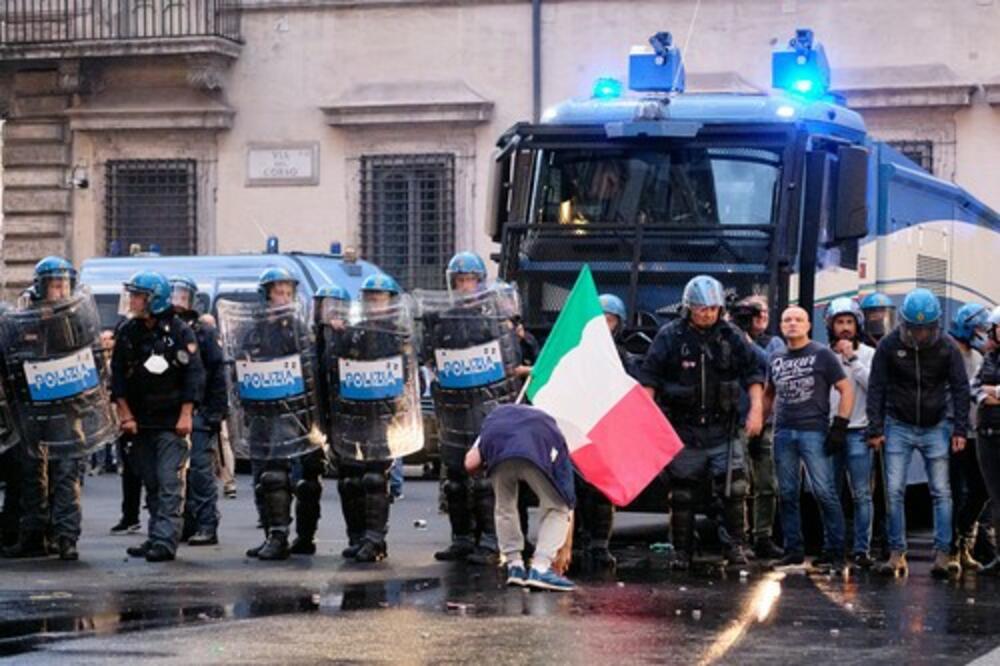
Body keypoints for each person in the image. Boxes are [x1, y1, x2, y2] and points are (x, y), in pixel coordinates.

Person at [638, 275, 764, 569]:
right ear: (688, 308)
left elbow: (753, 374)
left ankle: (735, 546)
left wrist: (756, 410)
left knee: (734, 490)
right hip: (684, 430)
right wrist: (646, 420)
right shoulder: (670, 336)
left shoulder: (731, 336)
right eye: (700, 309)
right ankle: (681, 551)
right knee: (682, 494)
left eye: (712, 308)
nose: (707, 314)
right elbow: (649, 378)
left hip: (725, 427)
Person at [4, 257, 118, 561]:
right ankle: (33, 536)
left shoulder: (78, 320)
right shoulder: (24, 319)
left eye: (64, 283)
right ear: (41, 286)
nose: (60, 290)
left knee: (67, 474)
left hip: (68, 410)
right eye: (55, 284)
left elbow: (94, 362)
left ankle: (66, 538)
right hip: (33, 411)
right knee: (33, 476)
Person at [421, 252, 521, 565]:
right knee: (455, 479)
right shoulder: (441, 319)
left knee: (484, 481)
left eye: (470, 280)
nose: (465, 287)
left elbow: (510, 363)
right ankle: (461, 539)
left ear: (480, 282)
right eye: (460, 281)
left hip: (485, 408)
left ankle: (490, 543)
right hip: (453, 408)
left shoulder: (494, 318)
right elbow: (428, 358)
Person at [868, 288, 969, 578]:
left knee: (941, 491)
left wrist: (959, 428)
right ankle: (897, 553)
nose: (921, 334)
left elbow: (960, 388)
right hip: (898, 423)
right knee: (894, 490)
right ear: (904, 323)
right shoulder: (889, 346)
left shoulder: (947, 347)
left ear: (936, 325)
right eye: (915, 328)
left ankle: (943, 554)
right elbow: (877, 387)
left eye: (927, 328)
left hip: (936, 424)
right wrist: (876, 428)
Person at [325, 273, 422, 563]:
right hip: (354, 415)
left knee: (373, 478)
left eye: (379, 299)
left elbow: (407, 377)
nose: (375, 305)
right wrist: (336, 335)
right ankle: (356, 537)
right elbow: (334, 367)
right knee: (350, 480)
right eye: (370, 299)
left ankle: (375, 540)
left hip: (382, 417)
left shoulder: (398, 335)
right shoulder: (354, 332)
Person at [230, 267, 323, 561]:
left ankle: (287, 537)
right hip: (261, 410)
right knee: (264, 477)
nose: (283, 298)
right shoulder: (253, 329)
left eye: (287, 292)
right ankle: (272, 532)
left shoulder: (297, 328)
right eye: (277, 292)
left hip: (290, 411)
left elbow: (309, 369)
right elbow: (239, 367)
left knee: (280, 474)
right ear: (266, 295)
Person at [112, 271, 204, 562]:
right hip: (140, 422)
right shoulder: (128, 331)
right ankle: (155, 535)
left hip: (171, 421)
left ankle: (166, 540)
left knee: (168, 481)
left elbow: (193, 375)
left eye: (139, 296)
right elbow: (117, 378)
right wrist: (125, 414)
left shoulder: (179, 331)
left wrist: (186, 414)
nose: (134, 301)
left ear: (154, 299)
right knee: (150, 481)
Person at [765, 306, 853, 571]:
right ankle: (793, 550)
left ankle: (835, 551)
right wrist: (761, 420)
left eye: (798, 320)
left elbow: (846, 389)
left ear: (807, 326)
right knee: (788, 493)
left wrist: (840, 425)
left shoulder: (822, 354)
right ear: (780, 326)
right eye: (787, 319)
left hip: (814, 431)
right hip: (783, 432)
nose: (792, 324)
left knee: (824, 492)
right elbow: (770, 392)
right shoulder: (776, 356)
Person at [465, 404, 576, 591]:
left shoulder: (493, 421)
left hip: (500, 457)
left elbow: (469, 463)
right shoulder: (553, 425)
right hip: (535, 455)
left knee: (504, 507)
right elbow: (566, 492)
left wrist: (487, 468)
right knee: (557, 508)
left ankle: (514, 566)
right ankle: (540, 568)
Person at [571, 294, 635, 571]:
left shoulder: (622, 357)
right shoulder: (575, 353)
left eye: (609, 321)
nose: (604, 325)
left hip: (606, 427)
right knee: (573, 489)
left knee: (601, 491)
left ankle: (599, 544)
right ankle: (573, 541)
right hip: (577, 426)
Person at [170, 276, 228, 547]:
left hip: (201, 411)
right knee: (175, 472)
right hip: (172, 411)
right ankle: (187, 523)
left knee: (200, 471)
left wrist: (215, 412)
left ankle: (207, 524)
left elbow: (217, 374)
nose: (178, 302)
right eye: (174, 296)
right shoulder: (167, 330)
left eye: (183, 296)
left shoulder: (202, 332)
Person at [729, 295, 784, 560]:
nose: (759, 317)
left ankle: (764, 535)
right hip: (738, 418)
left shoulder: (773, 342)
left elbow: (770, 365)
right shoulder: (730, 338)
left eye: (763, 312)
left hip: (767, 421)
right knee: (740, 482)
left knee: (767, 482)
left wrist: (746, 342)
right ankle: (740, 536)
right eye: (753, 313)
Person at [824, 297, 876, 569]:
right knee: (829, 492)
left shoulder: (868, 354)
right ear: (830, 325)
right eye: (839, 322)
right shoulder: (823, 354)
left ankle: (861, 549)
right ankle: (832, 546)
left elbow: (874, 387)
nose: (844, 328)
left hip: (859, 431)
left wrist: (853, 359)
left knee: (861, 494)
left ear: (858, 325)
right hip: (832, 432)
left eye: (849, 322)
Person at [947, 302, 992, 573]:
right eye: (979, 327)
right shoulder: (949, 351)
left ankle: (964, 539)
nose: (983, 333)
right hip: (953, 429)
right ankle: (952, 548)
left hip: (974, 430)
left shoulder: (978, 357)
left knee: (980, 489)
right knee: (953, 490)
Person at [975, 306, 1000, 575]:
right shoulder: (989, 358)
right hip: (988, 434)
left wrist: (994, 391)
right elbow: (974, 387)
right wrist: (987, 394)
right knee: (996, 498)